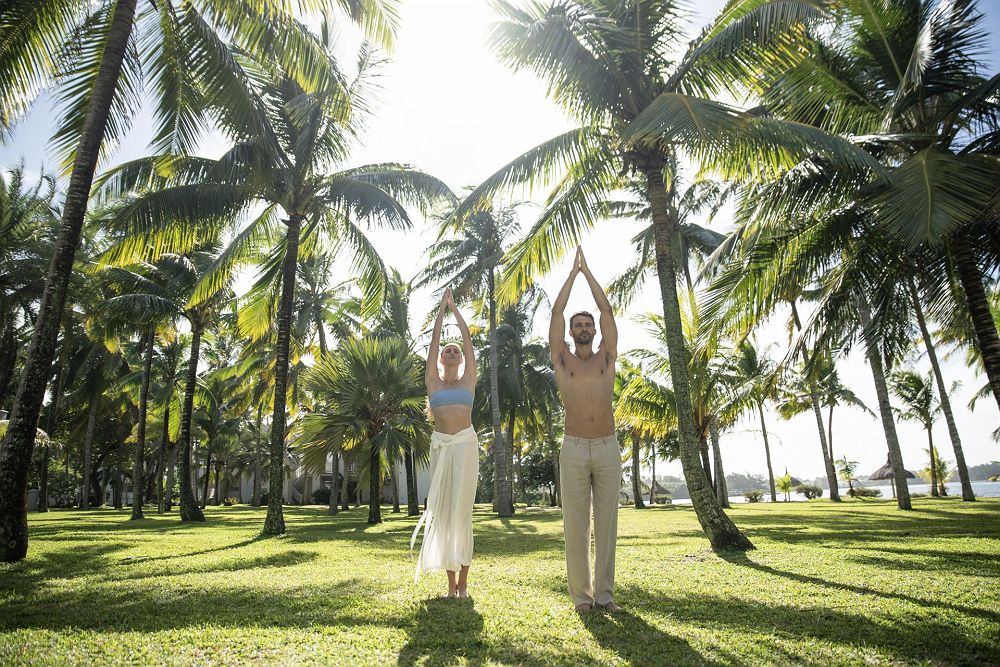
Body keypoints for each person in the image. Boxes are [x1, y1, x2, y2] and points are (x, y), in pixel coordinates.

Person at [550, 246, 621, 614]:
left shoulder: (607, 356)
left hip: (607, 447)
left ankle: (605, 596)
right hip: (574, 448)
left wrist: (588, 272)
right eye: (577, 325)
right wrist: (572, 275)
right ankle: (582, 597)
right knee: (575, 526)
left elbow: (606, 310)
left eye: (586, 324)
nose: (581, 327)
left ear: (593, 330)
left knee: (606, 524)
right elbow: (556, 311)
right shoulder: (562, 360)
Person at [410, 287, 479, 598]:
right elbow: (434, 341)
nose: (451, 351)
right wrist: (441, 311)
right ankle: (450, 585)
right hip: (440, 445)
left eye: (456, 352)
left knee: (462, 511)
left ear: (462, 360)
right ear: (440, 358)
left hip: (464, 444)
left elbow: (467, 340)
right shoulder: (433, 381)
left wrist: (456, 311)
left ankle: (463, 583)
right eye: (447, 351)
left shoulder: (468, 380)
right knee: (444, 512)